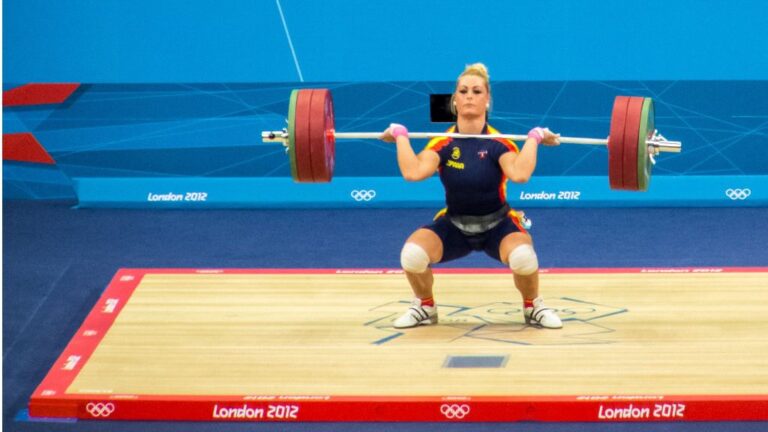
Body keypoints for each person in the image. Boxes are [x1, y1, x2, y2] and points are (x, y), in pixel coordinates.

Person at [380, 63, 563, 329]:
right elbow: (413, 172)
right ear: (454, 100)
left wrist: (534, 138)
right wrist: (400, 136)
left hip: (498, 224)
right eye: (463, 91)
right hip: (454, 225)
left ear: (487, 100)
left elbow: (520, 174)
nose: (469, 96)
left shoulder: (499, 143)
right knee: (411, 255)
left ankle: (532, 305)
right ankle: (425, 306)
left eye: (476, 91)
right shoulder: (442, 143)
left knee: (523, 257)